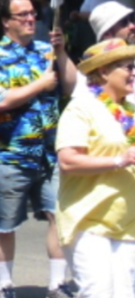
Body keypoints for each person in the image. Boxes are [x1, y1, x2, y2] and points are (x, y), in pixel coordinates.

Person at [0, 0, 77, 298]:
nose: (31, 18)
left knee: (57, 218)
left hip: (49, 153)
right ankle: (5, 285)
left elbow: (73, 87)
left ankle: (57, 284)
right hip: (11, 155)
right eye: (23, 15)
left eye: (33, 13)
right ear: (7, 22)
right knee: (5, 224)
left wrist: (61, 54)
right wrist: (39, 86)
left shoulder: (45, 50)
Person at [57, 39, 135, 297]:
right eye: (128, 67)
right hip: (88, 221)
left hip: (126, 223)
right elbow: (68, 161)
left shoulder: (130, 111)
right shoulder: (82, 108)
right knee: (99, 293)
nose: (134, 72)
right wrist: (118, 161)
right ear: (104, 71)